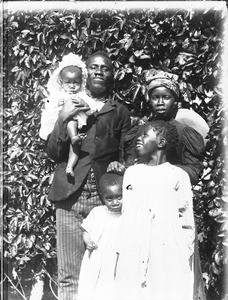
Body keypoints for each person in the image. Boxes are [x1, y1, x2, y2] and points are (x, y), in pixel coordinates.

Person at [42, 50, 131, 300]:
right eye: (94, 66)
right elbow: (52, 152)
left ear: (112, 75)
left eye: (105, 67)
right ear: (85, 72)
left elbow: (128, 153)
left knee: (107, 272)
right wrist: (63, 117)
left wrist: (120, 164)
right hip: (70, 196)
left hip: (105, 202)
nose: (99, 71)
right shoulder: (68, 101)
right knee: (70, 275)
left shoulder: (120, 112)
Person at [113, 120, 195, 300]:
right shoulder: (132, 173)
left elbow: (186, 220)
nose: (138, 139)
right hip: (134, 246)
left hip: (166, 250)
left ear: (161, 142)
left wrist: (182, 252)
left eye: (145, 135)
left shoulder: (178, 176)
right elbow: (126, 213)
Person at [124, 69, 209, 185]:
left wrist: (162, 169)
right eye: (155, 97)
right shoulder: (140, 131)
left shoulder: (184, 132)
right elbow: (130, 166)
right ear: (150, 100)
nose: (160, 102)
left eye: (166, 97)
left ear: (175, 101)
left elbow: (194, 173)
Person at [39, 53, 101, 178]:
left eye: (76, 83)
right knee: (71, 122)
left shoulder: (82, 95)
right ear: (61, 82)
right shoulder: (58, 95)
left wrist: (84, 104)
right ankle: (74, 138)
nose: (72, 86)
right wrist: (60, 104)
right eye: (68, 82)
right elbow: (51, 108)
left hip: (77, 131)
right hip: (62, 129)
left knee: (76, 147)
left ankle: (70, 166)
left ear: (81, 82)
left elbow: (91, 108)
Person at [77, 173, 123, 300]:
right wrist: (88, 241)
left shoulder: (127, 215)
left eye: (119, 197)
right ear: (103, 198)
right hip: (98, 257)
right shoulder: (98, 213)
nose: (115, 202)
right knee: (95, 288)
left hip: (118, 260)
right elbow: (86, 231)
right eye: (110, 199)